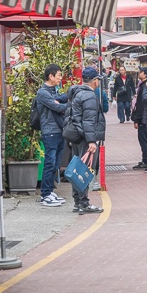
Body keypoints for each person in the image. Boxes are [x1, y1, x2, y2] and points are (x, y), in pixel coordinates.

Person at [65, 67, 105, 215]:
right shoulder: (89, 96)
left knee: (77, 169)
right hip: (85, 139)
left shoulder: (77, 93)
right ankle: (84, 202)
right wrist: (91, 141)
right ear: (94, 81)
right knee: (85, 170)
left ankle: (78, 202)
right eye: (98, 80)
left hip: (77, 137)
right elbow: (88, 121)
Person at [35, 64, 68, 208]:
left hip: (59, 130)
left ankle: (49, 191)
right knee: (49, 163)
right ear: (51, 76)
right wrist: (69, 104)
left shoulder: (54, 90)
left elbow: (60, 103)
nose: (61, 78)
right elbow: (58, 107)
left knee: (55, 164)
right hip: (50, 132)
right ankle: (45, 195)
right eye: (59, 75)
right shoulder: (42, 93)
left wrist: (61, 101)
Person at [130, 69, 147, 170]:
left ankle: (146, 161)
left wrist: (137, 119)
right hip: (145, 117)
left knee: (144, 140)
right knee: (146, 140)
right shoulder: (144, 85)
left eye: (141, 72)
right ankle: (146, 159)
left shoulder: (144, 86)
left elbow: (140, 104)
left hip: (143, 117)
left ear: (145, 74)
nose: (139, 73)